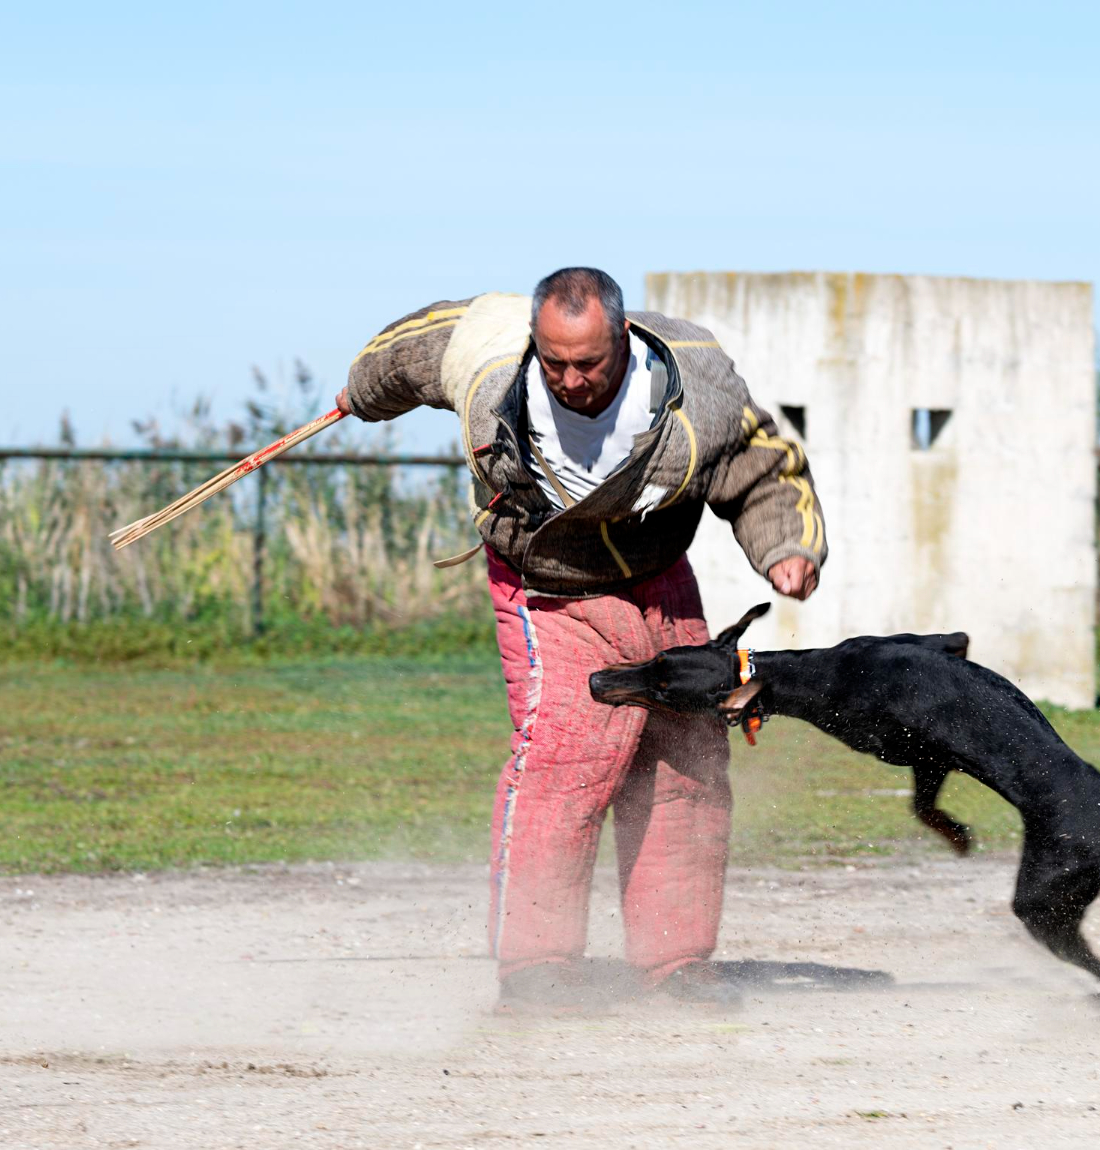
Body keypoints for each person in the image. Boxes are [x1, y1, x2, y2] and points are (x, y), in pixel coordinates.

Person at [337, 268, 826, 1010]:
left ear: (623, 338)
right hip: (547, 589)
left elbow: (762, 468)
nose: (569, 379)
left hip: (660, 578)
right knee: (571, 757)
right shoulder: (494, 367)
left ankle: (678, 963)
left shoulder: (697, 385)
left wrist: (786, 547)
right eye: (555, 360)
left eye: (589, 363)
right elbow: (419, 348)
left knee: (686, 756)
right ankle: (536, 965)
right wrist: (359, 394)